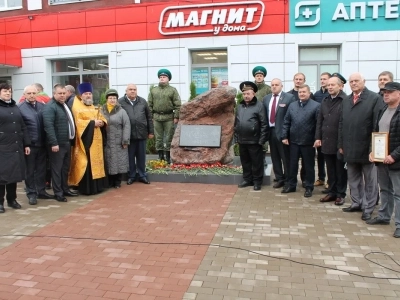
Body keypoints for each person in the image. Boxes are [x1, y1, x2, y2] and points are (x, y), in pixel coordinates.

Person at [338, 73, 382, 221]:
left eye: (356, 81)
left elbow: (376, 125)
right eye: (351, 82)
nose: (354, 83)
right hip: (350, 147)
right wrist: (341, 144)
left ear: (364, 81)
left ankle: (368, 208)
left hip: (366, 148)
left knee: (370, 181)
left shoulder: (374, 99)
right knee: (353, 178)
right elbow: (341, 124)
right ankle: (356, 202)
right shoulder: (346, 100)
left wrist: (373, 148)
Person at [367, 82, 400, 238]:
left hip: (396, 160)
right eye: (384, 92)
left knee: (398, 194)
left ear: (398, 93)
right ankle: (384, 217)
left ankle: (399, 225)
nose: (385, 94)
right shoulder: (383, 110)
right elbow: (376, 133)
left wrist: (394, 155)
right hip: (381, 159)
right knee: (385, 190)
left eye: (389, 92)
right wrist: (372, 151)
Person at [69, 82, 108, 195]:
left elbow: (101, 117)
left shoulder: (93, 106)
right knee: (88, 163)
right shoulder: (76, 108)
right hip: (85, 141)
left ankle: (98, 187)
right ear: (81, 95)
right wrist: (92, 123)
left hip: (97, 140)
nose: (88, 95)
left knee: (98, 161)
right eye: (86, 93)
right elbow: (78, 123)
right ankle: (88, 188)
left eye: (90, 93)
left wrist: (102, 122)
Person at [314, 74, 348, 206]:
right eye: (328, 85)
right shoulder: (325, 100)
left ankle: (340, 194)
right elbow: (319, 121)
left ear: (340, 86)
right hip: (326, 141)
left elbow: (345, 123)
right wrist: (318, 137)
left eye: (333, 85)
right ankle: (332, 191)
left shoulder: (345, 100)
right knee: (331, 169)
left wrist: (342, 143)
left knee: (340, 170)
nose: (330, 87)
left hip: (339, 142)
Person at [281, 84, 320, 197]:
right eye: (300, 92)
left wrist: (317, 138)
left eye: (304, 92)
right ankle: (291, 185)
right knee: (292, 165)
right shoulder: (292, 105)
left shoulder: (316, 106)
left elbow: (318, 124)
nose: (302, 94)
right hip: (293, 141)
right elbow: (286, 121)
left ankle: (309, 187)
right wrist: (284, 136)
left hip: (308, 142)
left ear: (309, 93)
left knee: (308, 166)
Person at [18, 85, 54, 205]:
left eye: (34, 93)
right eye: (29, 93)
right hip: (30, 145)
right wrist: (26, 144)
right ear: (25, 95)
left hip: (42, 144)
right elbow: (21, 129)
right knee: (30, 171)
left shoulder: (42, 106)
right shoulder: (20, 108)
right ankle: (31, 193)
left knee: (41, 169)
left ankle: (41, 191)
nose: (32, 95)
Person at [43, 84, 78, 202]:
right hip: (57, 144)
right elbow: (48, 126)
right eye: (60, 93)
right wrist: (54, 143)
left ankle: (65, 189)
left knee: (65, 168)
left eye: (64, 93)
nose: (62, 95)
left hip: (66, 142)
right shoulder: (50, 107)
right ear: (54, 94)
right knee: (56, 169)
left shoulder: (64, 105)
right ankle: (58, 192)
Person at [0, 83, 31, 213]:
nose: (8, 93)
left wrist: (27, 144)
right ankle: (0, 203)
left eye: (10, 91)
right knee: (2, 176)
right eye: (5, 91)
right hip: (2, 147)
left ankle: (12, 199)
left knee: (13, 175)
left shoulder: (15, 107)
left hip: (16, 146)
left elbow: (23, 126)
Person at [234, 81, 268, 191]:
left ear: (253, 94)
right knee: (245, 162)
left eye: (248, 93)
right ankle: (247, 179)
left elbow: (264, 124)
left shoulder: (259, 106)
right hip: (242, 141)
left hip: (255, 140)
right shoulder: (239, 106)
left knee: (257, 163)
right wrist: (236, 138)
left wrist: (262, 140)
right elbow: (236, 123)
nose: (246, 96)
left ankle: (257, 181)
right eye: (244, 94)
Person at [263, 78, 295, 188]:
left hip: (283, 133)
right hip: (271, 132)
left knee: (285, 157)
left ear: (281, 86)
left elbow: (291, 116)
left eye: (276, 84)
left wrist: (287, 134)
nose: (274, 86)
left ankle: (288, 179)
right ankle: (279, 178)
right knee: (275, 157)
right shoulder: (266, 98)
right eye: (272, 85)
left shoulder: (289, 98)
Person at [119, 84, 154, 185]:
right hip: (128, 135)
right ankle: (132, 176)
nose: (133, 91)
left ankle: (142, 175)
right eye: (130, 89)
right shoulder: (121, 102)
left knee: (141, 156)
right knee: (130, 157)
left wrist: (150, 131)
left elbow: (149, 117)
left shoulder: (142, 101)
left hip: (142, 133)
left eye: (134, 89)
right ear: (126, 91)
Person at [148, 69, 181, 164]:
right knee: (158, 138)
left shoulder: (172, 90)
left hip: (169, 117)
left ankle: (168, 157)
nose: (162, 79)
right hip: (157, 117)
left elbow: (178, 105)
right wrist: (151, 117)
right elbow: (149, 105)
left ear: (168, 79)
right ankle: (160, 157)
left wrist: (176, 117)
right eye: (160, 77)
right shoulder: (154, 90)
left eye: (164, 77)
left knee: (168, 138)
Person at [101, 89, 131, 189]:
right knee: (108, 160)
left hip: (118, 140)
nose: (112, 100)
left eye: (114, 98)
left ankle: (117, 182)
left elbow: (127, 126)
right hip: (107, 141)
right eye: (110, 98)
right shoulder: (101, 110)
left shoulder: (121, 111)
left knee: (119, 161)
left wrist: (125, 140)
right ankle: (109, 181)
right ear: (106, 99)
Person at [313, 72, 331, 188]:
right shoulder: (317, 94)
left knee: (328, 157)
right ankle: (321, 178)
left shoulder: (331, 94)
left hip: (329, 129)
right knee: (320, 156)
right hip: (319, 128)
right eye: (321, 79)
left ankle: (330, 180)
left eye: (325, 79)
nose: (323, 81)